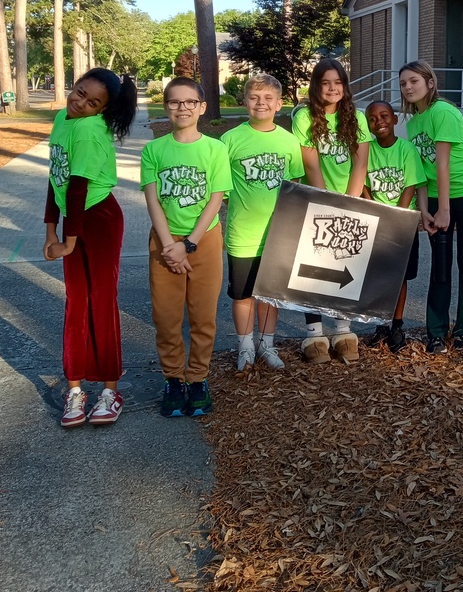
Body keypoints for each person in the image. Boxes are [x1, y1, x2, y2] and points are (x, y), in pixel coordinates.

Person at [44, 68, 137, 428]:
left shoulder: (86, 129)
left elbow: (80, 185)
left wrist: (68, 241)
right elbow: (57, 177)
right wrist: (50, 230)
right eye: (79, 92)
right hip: (73, 218)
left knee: (101, 300)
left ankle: (111, 390)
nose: (80, 102)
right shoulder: (62, 118)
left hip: (97, 220)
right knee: (75, 301)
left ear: (102, 110)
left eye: (92, 102)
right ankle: (75, 389)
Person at [140, 77, 232, 417]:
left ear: (202, 107)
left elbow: (215, 198)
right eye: (175, 102)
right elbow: (153, 200)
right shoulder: (154, 149)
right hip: (164, 242)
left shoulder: (215, 149)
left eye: (190, 102)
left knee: (202, 316)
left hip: (203, 239)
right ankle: (173, 379)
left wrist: (189, 244)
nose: (183, 107)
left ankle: (197, 379)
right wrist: (169, 246)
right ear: (166, 107)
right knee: (166, 317)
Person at [399, 61, 463, 354]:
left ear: (430, 83)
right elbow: (422, 171)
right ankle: (435, 332)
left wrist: (445, 209)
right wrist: (424, 210)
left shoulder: (444, 112)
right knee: (440, 265)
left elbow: (444, 163)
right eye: (403, 83)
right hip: (436, 195)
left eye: (414, 81)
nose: (408, 87)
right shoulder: (413, 123)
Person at [291, 57, 372, 363]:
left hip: (349, 202)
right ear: (316, 86)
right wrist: (327, 204)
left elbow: (360, 163)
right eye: (326, 82)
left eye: (338, 82)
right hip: (316, 199)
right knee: (313, 269)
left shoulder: (357, 117)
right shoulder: (304, 117)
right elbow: (310, 163)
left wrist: (349, 204)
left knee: (345, 267)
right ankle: (314, 335)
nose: (332, 88)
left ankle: (343, 330)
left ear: (345, 86)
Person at [222, 74, 304, 372]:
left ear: (279, 103)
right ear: (244, 101)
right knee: (243, 295)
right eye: (255, 98)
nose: (261, 103)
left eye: (268, 98)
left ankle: (267, 344)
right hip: (242, 233)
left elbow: (294, 183)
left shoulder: (288, 140)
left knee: (269, 294)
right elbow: (222, 185)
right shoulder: (230, 140)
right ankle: (245, 346)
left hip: (277, 234)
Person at [362, 100, 425, 354]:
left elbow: (410, 185)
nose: (380, 122)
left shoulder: (407, 150)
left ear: (395, 119)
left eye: (385, 116)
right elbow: (362, 182)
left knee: (400, 278)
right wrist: (374, 209)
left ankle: (397, 325)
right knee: (377, 277)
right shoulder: (365, 150)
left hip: (401, 223)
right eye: (373, 119)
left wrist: (396, 216)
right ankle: (380, 323)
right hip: (376, 221)